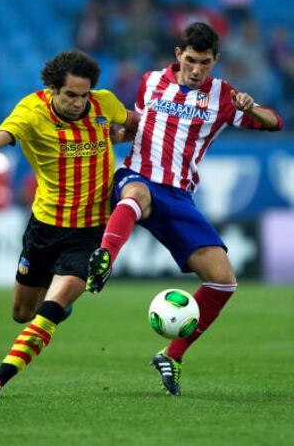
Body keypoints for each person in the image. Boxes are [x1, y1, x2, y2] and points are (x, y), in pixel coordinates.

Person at [86, 22, 283, 396]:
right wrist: (117, 133)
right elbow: (138, 124)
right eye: (190, 60)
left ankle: (171, 356)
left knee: (223, 280)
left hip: (178, 198)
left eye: (205, 63)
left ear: (215, 60)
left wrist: (251, 107)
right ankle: (105, 258)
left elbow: (276, 123)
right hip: (138, 176)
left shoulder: (223, 96)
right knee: (136, 195)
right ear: (178, 55)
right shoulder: (150, 81)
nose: (196, 70)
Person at [0, 49, 138, 398]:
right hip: (46, 227)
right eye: (71, 96)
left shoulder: (105, 104)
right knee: (21, 312)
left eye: (84, 95)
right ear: (52, 89)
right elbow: (5, 135)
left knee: (50, 309)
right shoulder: (32, 111)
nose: (79, 103)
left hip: (92, 232)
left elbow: (134, 125)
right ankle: (57, 303)